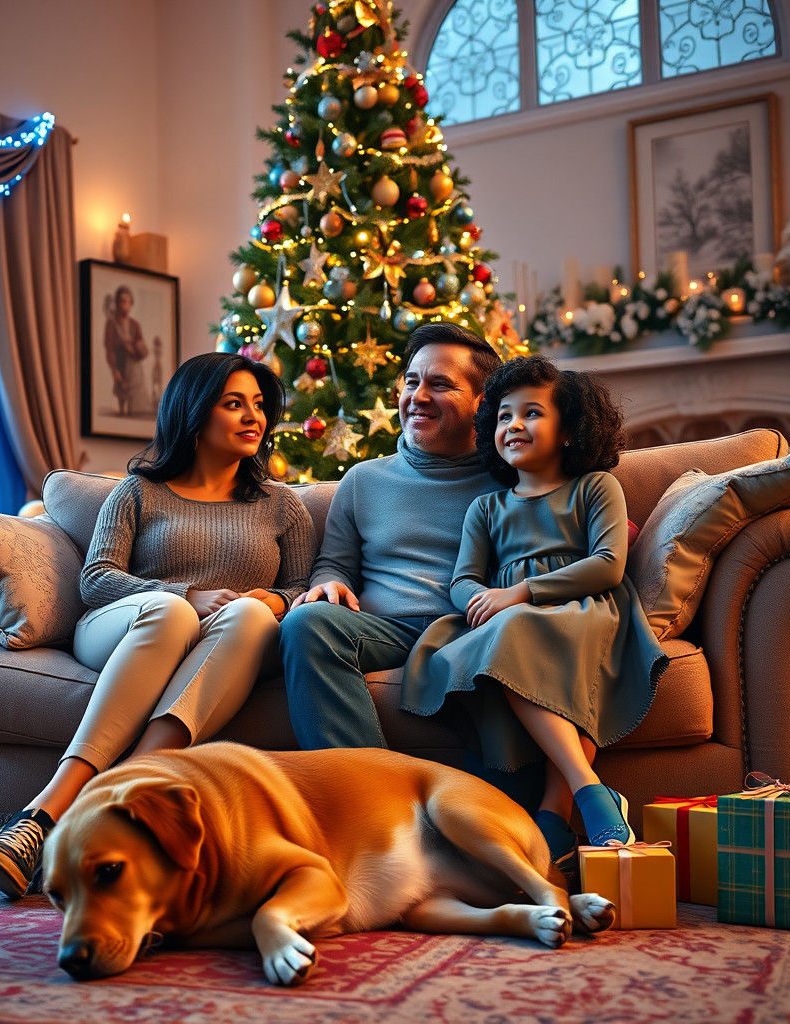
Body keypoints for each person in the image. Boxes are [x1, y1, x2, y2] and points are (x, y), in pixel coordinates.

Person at [0, 352, 316, 898]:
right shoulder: (137, 491)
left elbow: (303, 588)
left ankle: (83, 803)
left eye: (258, 406)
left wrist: (272, 600)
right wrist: (188, 596)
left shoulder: (282, 506)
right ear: (194, 413)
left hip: (231, 641)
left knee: (250, 611)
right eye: (233, 404)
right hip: (130, 626)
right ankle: (57, 802)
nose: (254, 417)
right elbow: (97, 578)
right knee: (173, 612)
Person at [402, 354, 668, 859]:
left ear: (569, 429)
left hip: (583, 607)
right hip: (507, 616)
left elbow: (609, 564)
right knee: (509, 635)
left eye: (531, 413)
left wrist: (519, 594)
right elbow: (462, 579)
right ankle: (569, 808)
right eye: (503, 416)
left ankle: (569, 799)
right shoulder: (487, 506)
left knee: (523, 633)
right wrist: (482, 600)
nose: (514, 425)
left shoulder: (595, 487)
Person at [279, 322, 501, 752]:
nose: (417, 397)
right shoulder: (363, 479)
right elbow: (336, 563)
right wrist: (330, 582)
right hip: (385, 629)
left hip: (471, 629)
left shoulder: (512, 479)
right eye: (411, 382)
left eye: (439, 385)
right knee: (308, 621)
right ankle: (367, 790)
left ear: (483, 402)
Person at [104, 285, 152, 416]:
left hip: (134, 366)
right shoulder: (112, 324)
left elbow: (142, 347)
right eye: (122, 301)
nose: (125, 305)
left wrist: (133, 346)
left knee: (134, 396)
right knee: (122, 393)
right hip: (120, 364)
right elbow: (109, 348)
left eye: (127, 302)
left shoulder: (134, 325)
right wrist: (115, 370)